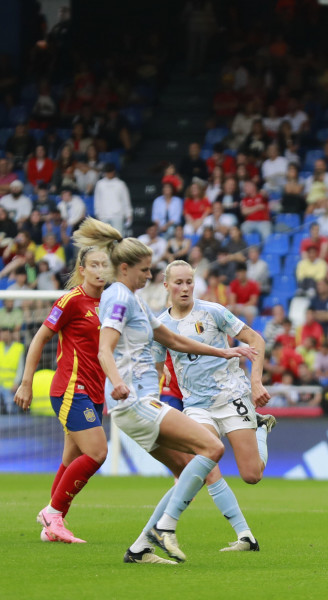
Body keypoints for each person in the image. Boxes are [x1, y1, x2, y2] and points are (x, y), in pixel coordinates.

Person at [83, 218, 255, 564]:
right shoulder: (117, 297)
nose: (149, 277)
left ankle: (141, 547)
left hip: (136, 403)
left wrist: (224, 351)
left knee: (186, 471)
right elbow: (104, 348)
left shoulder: (135, 300)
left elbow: (175, 339)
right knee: (211, 447)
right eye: (145, 270)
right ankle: (166, 526)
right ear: (126, 268)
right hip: (133, 399)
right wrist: (116, 381)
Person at [150, 260, 275, 552]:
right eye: (178, 283)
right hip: (196, 404)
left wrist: (256, 382)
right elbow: (157, 365)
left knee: (251, 475)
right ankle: (245, 535)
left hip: (233, 397)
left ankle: (261, 427)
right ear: (166, 286)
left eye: (189, 282)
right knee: (207, 463)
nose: (184, 288)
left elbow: (255, 339)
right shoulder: (160, 325)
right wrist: (159, 377)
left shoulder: (213, 311)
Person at [13, 238, 110, 543]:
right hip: (71, 388)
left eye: (104, 264)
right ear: (81, 270)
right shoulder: (71, 300)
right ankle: (53, 512)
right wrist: (26, 382)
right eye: (93, 264)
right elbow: (40, 338)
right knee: (98, 452)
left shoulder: (109, 304)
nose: (99, 270)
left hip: (95, 392)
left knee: (72, 457)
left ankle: (51, 526)